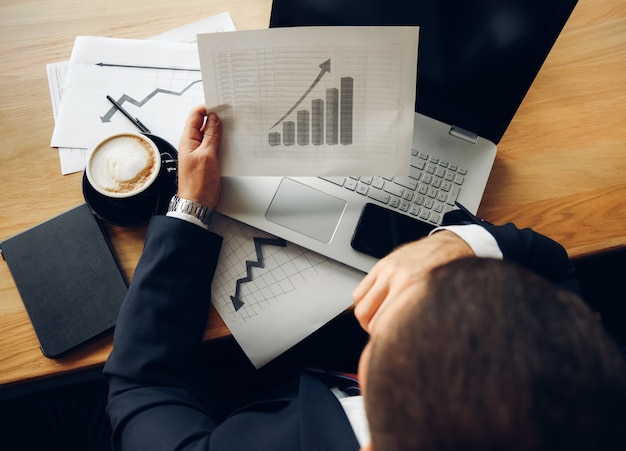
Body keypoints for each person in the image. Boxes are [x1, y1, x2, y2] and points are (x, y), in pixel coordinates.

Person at [103, 105, 626, 450]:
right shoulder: (590, 397)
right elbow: (554, 272)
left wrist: (189, 210)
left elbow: (139, 383)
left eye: (392, 331)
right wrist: (456, 242)